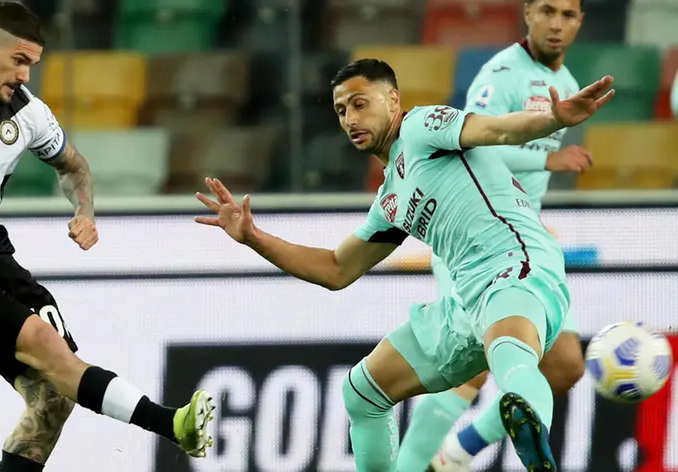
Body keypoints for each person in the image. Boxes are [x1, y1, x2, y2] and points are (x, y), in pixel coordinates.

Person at [196, 58, 613, 472]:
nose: (349, 119)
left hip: (516, 265)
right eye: (341, 110)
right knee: (363, 391)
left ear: (393, 99)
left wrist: (553, 119)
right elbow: (336, 269)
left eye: (360, 104)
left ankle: (534, 438)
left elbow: (497, 128)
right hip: (463, 303)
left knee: (510, 353)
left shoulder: (422, 126)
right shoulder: (391, 197)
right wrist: (254, 238)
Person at [0, 3, 213, 471]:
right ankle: (172, 424)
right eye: (20, 61)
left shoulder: (26, 113)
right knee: (50, 352)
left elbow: (74, 166)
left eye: (32, 64)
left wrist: (84, 210)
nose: (26, 76)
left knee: (54, 398)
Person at [394, 2, 590, 471]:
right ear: (526, 13)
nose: (556, 24)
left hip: (525, 245)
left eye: (568, 14)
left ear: (581, 21)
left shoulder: (565, 84)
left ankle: (457, 456)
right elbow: (472, 145)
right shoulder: (501, 75)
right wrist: (548, 160)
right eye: (546, 11)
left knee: (564, 364)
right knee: (472, 367)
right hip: (477, 241)